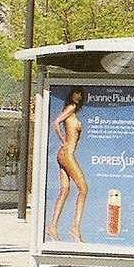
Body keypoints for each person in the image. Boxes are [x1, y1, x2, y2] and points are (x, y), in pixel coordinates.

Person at [46, 87, 88, 242]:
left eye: (80, 94)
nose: (78, 96)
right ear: (71, 95)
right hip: (67, 153)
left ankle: (52, 226)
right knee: (83, 188)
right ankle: (75, 228)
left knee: (65, 190)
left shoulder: (72, 111)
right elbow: (56, 123)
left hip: (64, 154)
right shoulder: (71, 108)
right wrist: (63, 140)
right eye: (76, 93)